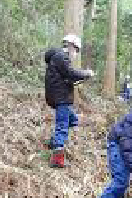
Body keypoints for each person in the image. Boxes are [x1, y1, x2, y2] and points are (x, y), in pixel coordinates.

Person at [44, 34, 94, 168]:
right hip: (61, 99)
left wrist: (80, 77)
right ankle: (57, 159)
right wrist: (86, 73)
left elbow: (67, 76)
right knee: (62, 127)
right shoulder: (61, 57)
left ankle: (54, 142)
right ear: (71, 46)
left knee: (73, 120)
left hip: (60, 97)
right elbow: (71, 73)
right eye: (76, 50)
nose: (76, 54)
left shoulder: (58, 58)